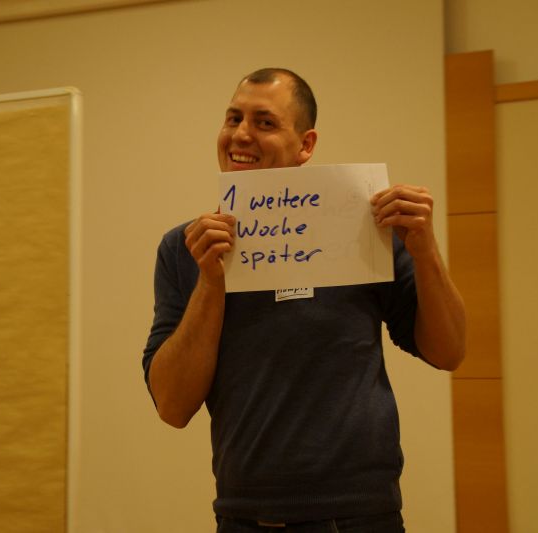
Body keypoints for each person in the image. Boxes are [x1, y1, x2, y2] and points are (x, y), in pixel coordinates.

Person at [142, 68, 465, 532]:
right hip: (244, 515)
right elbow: (172, 406)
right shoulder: (184, 248)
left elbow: (449, 351)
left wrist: (425, 249)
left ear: (306, 145)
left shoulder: (364, 228)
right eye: (233, 118)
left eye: (264, 122)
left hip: (360, 514)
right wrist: (211, 282)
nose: (241, 134)